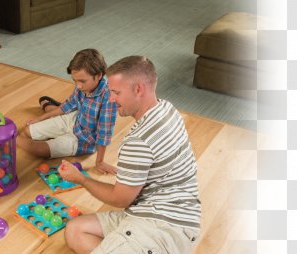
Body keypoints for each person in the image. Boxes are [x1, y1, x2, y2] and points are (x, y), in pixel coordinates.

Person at [58, 56, 201, 254]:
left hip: (163, 227)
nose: (110, 99)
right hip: (179, 214)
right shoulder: (167, 108)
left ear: (138, 89)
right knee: (75, 230)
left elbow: (120, 199)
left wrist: (80, 179)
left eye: (116, 92)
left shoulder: (139, 140)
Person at [17, 49, 118, 174]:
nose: (78, 86)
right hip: (74, 120)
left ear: (98, 75)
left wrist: (100, 162)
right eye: (75, 81)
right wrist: (41, 118)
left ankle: (10, 137)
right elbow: (69, 104)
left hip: (83, 140)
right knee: (28, 131)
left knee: (38, 150)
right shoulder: (82, 85)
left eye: (82, 81)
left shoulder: (109, 98)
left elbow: (104, 133)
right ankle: (49, 108)